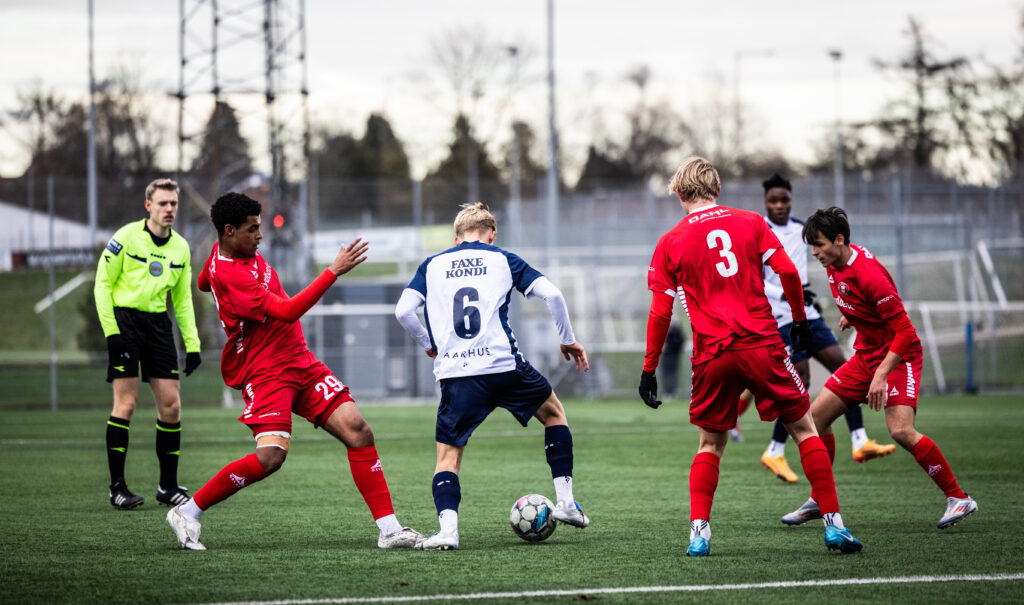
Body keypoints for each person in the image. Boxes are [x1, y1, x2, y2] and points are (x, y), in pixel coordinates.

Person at [165, 192, 422, 551]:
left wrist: (215, 291)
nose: (260, 235)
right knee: (271, 457)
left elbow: (204, 282)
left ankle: (390, 529)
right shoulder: (234, 274)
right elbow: (285, 311)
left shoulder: (226, 254)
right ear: (229, 230)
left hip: (300, 360)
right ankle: (187, 512)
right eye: (252, 229)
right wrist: (332, 271)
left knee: (359, 431)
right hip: (267, 370)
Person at [638, 156, 862, 556]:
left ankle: (699, 535)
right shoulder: (752, 222)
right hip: (762, 343)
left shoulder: (670, 241)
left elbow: (660, 312)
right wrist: (798, 320)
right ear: (717, 189)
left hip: (712, 355)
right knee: (805, 430)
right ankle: (834, 526)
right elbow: (790, 274)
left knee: (709, 445)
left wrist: (649, 368)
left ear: (678, 193)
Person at [395, 202, 590, 551]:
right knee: (554, 413)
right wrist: (567, 339)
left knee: (448, 458)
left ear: (457, 239)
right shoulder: (503, 258)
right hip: (503, 366)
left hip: (457, 373)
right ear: (492, 234)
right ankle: (566, 504)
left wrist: (429, 344)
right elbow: (554, 295)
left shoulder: (433, 265)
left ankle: (448, 533)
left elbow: (403, 311)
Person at [780, 207, 977, 530]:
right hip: (866, 355)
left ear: (840, 240)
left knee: (900, 430)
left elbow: (905, 331)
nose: (814, 252)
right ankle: (820, 498)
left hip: (899, 356)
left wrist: (881, 376)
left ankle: (958, 498)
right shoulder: (837, 262)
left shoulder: (866, 273)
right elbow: (867, 296)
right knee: (816, 419)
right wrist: (855, 313)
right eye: (811, 246)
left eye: (819, 245)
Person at [752, 173, 895, 483]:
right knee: (798, 380)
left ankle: (860, 440)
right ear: (765, 202)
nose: (779, 205)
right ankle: (775, 449)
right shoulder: (757, 232)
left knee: (842, 367)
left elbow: (818, 259)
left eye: (784, 199)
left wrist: (809, 298)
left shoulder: (802, 230)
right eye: (773, 200)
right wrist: (786, 294)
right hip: (780, 318)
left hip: (806, 314)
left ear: (791, 200)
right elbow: (757, 280)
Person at [94, 178, 201, 510]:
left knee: (171, 406)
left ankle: (167, 487)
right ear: (148, 206)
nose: (169, 209)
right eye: (162, 203)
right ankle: (117, 487)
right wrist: (112, 333)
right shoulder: (126, 238)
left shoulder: (181, 248)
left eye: (173, 204)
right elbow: (102, 286)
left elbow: (182, 301)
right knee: (125, 404)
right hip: (125, 322)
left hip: (157, 326)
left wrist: (192, 344)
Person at [659, 323, 685, 399]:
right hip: (667, 359)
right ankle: (666, 392)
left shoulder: (680, 336)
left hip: (675, 359)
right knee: (666, 376)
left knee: (674, 376)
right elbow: (668, 344)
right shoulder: (669, 335)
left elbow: (679, 345)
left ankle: (673, 392)